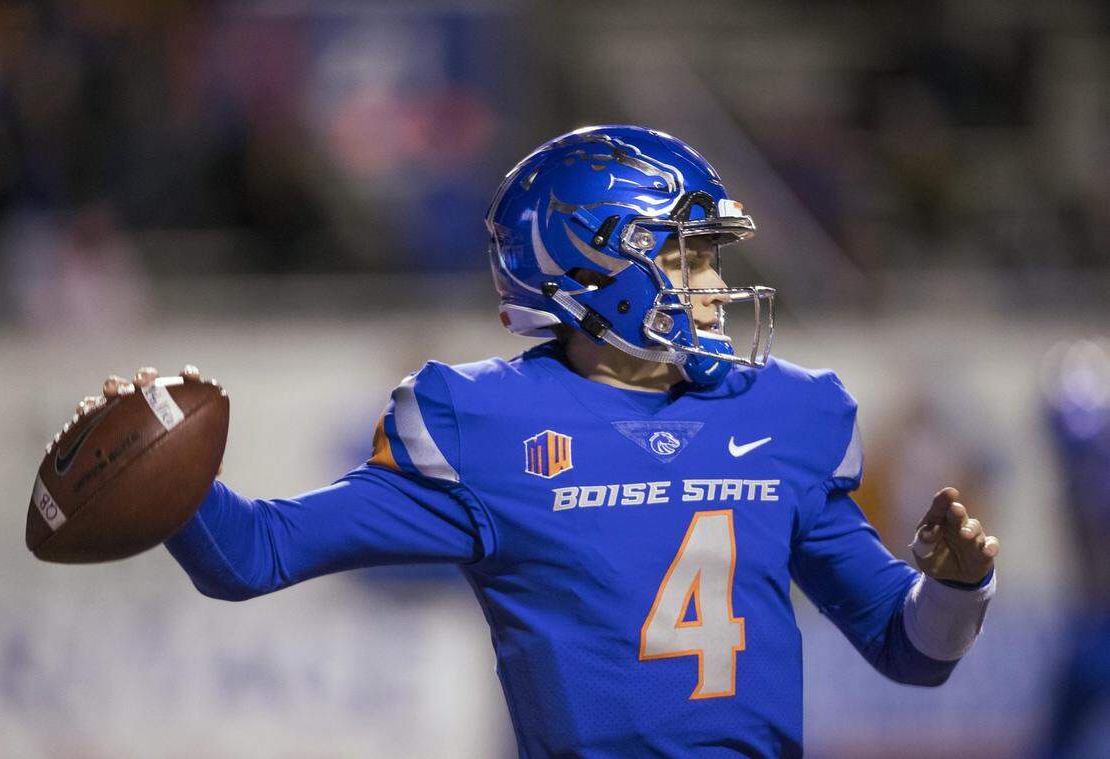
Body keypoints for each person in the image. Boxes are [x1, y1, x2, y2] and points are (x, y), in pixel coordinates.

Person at [83, 126, 999, 758]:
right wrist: (167, 473)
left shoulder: (785, 413)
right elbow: (254, 552)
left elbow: (909, 648)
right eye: (691, 256)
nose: (718, 284)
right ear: (600, 263)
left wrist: (957, 587)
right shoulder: (482, 425)